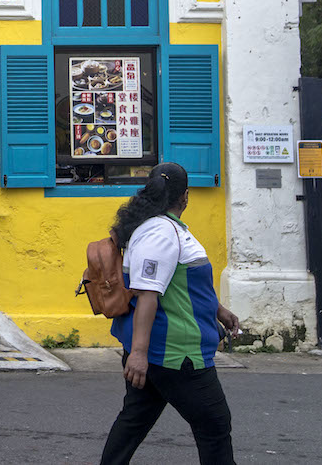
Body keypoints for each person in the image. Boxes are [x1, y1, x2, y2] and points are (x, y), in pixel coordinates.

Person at [100, 162, 240, 465]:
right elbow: (149, 293)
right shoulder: (161, 232)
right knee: (215, 426)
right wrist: (138, 353)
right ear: (185, 197)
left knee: (133, 422)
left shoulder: (158, 227)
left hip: (159, 352)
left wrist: (218, 309)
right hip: (177, 353)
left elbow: (176, 282)